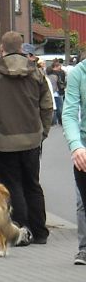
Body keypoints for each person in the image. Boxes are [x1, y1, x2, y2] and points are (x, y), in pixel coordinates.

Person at [0, 30, 53, 246]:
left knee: (11, 185)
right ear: (21, 48)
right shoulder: (36, 73)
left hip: (3, 139)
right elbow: (47, 106)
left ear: (2, 49)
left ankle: (19, 230)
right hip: (32, 138)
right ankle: (39, 231)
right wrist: (42, 132)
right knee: (33, 184)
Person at [62, 51, 86, 263]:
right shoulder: (79, 72)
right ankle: (84, 248)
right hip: (84, 149)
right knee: (82, 202)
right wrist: (76, 145)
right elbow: (69, 113)